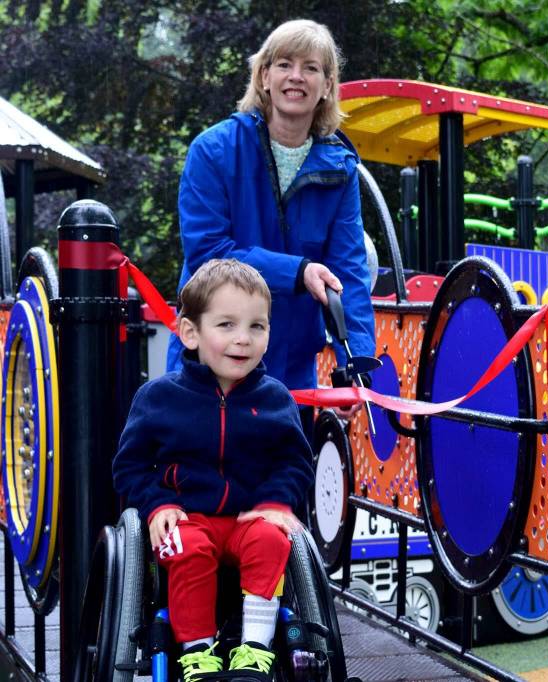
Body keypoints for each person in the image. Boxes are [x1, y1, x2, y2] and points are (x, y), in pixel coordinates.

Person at [114, 260, 314, 682]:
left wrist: (275, 501)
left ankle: (255, 650)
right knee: (184, 545)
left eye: (256, 327)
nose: (243, 339)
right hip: (188, 517)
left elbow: (295, 462)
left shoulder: (276, 400)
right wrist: (157, 504)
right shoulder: (158, 399)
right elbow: (129, 466)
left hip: (247, 518)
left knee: (271, 535)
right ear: (191, 333)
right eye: (226, 325)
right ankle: (197, 652)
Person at [169, 19, 375, 418]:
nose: (296, 77)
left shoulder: (341, 169)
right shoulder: (213, 151)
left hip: (291, 374)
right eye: (284, 64)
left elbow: (348, 273)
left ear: (328, 85)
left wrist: (355, 365)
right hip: (212, 366)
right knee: (206, 478)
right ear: (264, 76)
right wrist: (299, 272)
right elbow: (209, 255)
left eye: (311, 68)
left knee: (286, 479)